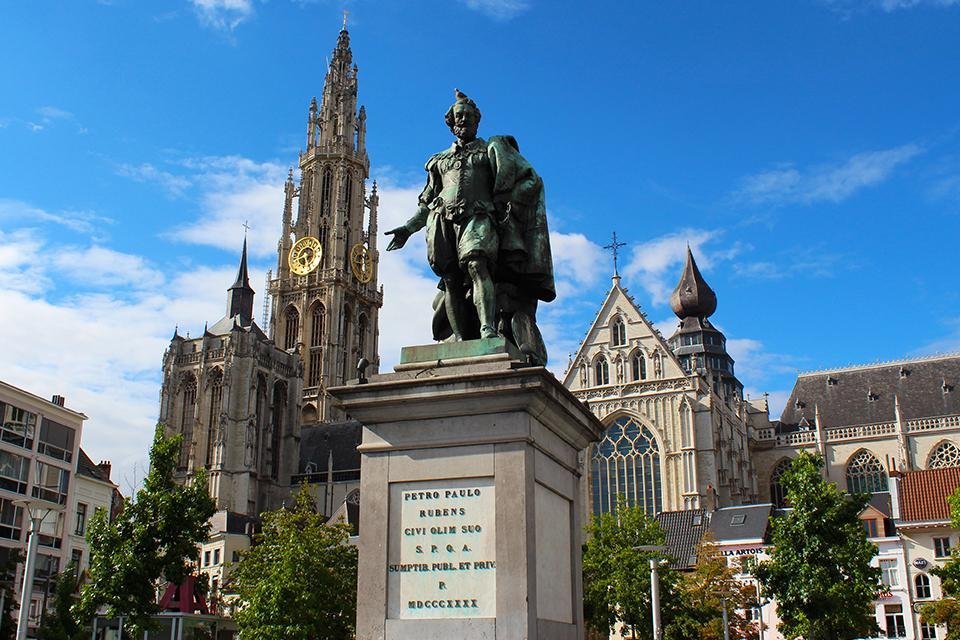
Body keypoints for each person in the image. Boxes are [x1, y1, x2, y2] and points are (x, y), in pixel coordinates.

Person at [386, 90, 555, 363]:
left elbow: (531, 179)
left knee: (477, 265)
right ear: (451, 122)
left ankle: (487, 328)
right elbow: (427, 200)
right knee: (451, 279)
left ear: (477, 121)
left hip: (479, 216)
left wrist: (507, 202)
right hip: (442, 221)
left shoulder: (491, 150)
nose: (463, 119)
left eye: (468, 115)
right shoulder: (438, 161)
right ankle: (461, 336)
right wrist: (408, 228)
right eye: (458, 116)